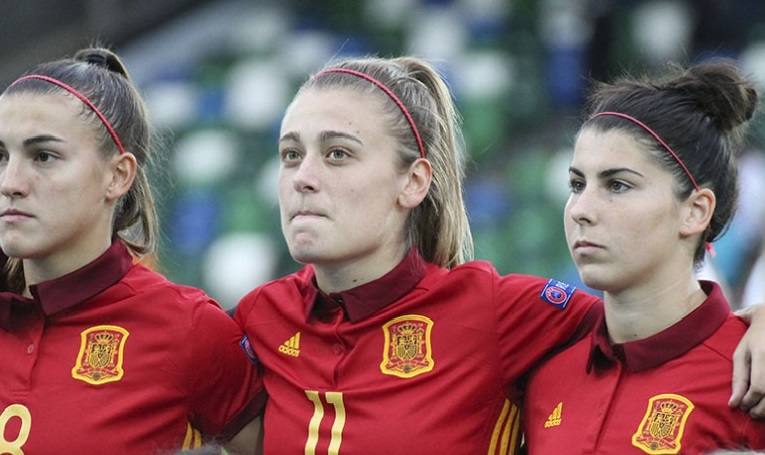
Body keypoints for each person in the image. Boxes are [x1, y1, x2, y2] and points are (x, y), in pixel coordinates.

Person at [233, 57, 765, 454]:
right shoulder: (259, 318)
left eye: (338, 153)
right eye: (290, 155)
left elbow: (671, 334)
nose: (580, 209)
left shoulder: (500, 315)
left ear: (415, 180)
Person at [0, 48, 263, 454]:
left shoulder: (187, 328)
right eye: (1, 157)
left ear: (117, 175)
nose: (11, 181)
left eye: (44, 156)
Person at [522, 61, 765, 453]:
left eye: (617, 185)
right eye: (576, 184)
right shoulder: (545, 373)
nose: (581, 209)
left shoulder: (750, 376)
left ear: (696, 210)